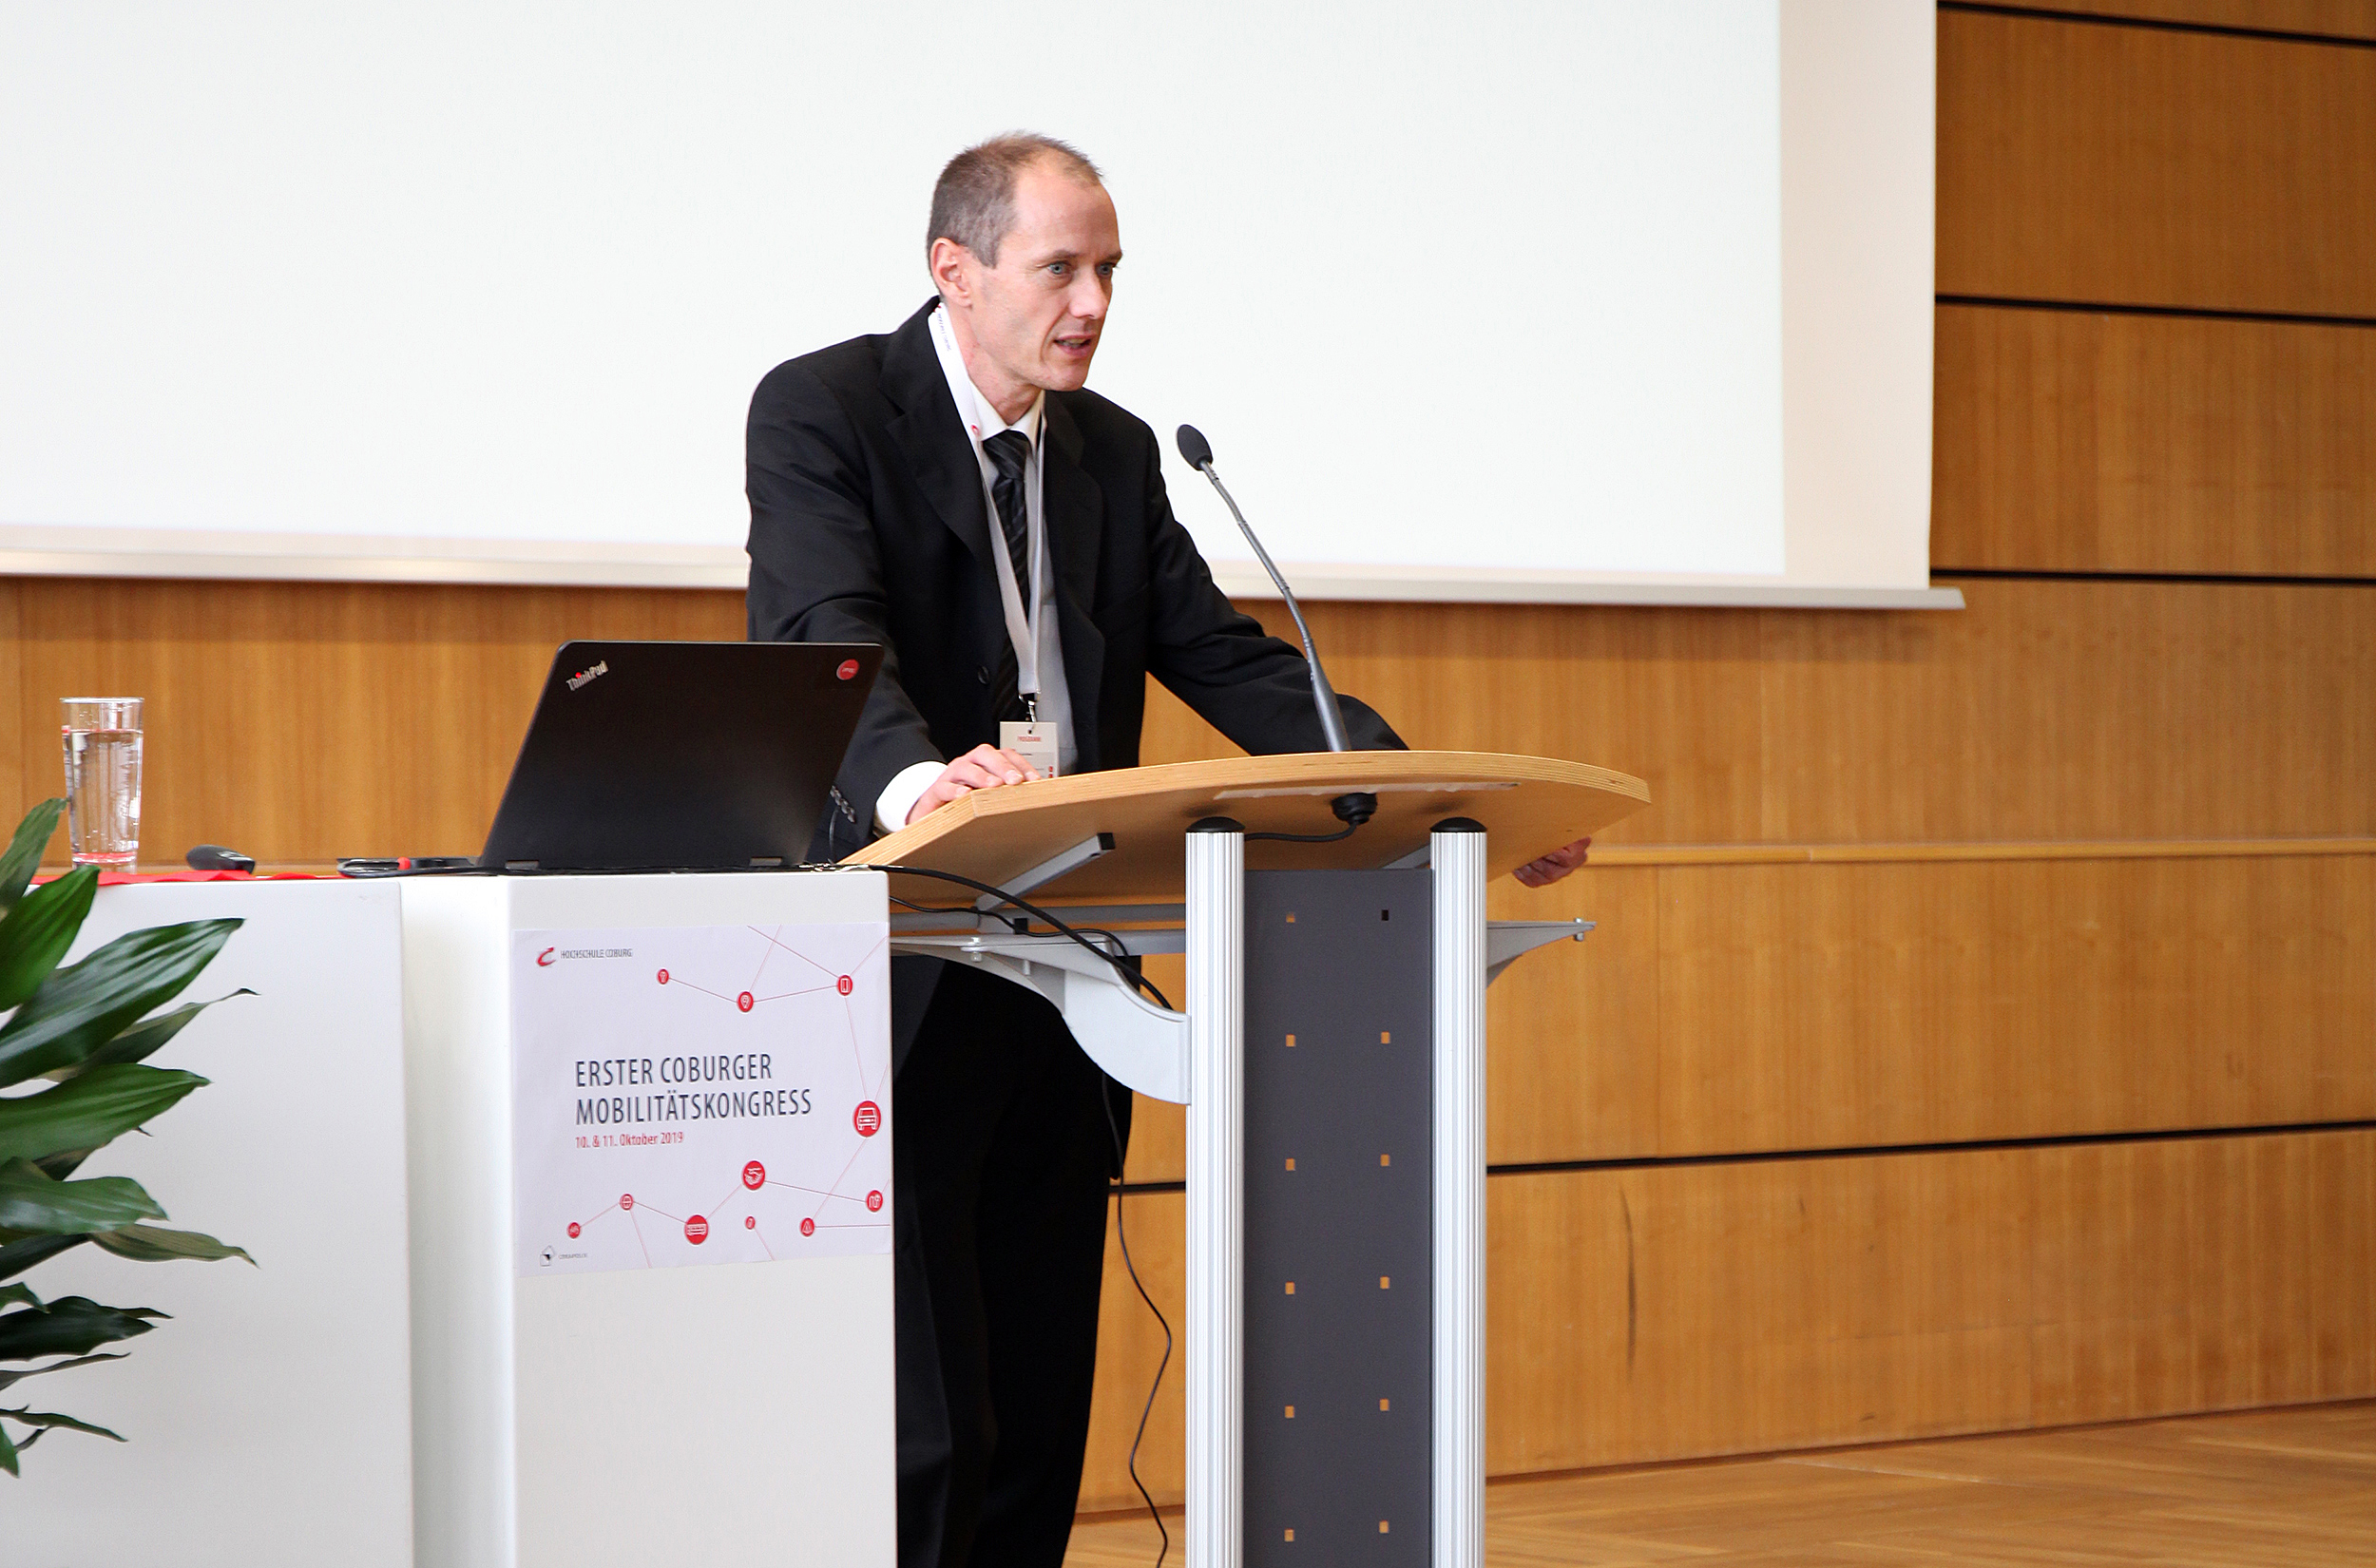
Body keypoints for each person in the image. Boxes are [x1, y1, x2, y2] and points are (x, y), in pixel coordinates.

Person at [745, 132, 1586, 1568]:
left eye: (1110, 269)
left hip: (1078, 947)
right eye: (1059, 267)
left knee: (1038, 1379)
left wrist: (1434, 801)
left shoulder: (1116, 452)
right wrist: (914, 785)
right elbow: (824, 628)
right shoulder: (828, 408)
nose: (1092, 301)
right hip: (910, 942)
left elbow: (1229, 661)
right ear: (954, 270)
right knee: (926, 1408)